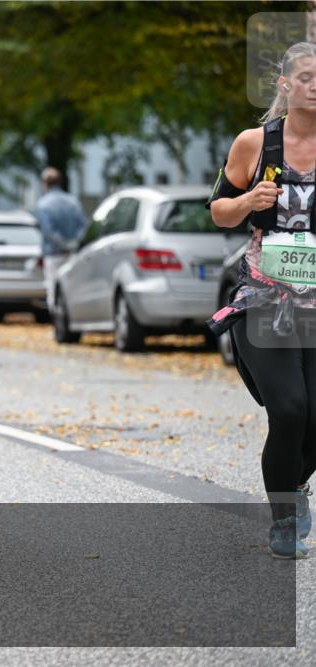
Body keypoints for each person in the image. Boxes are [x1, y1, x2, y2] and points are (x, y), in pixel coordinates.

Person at [207, 41, 316, 559]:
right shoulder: (254, 144)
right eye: (307, 76)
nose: (315, 85)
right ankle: (284, 518)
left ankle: (293, 484)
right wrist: (249, 200)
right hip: (265, 299)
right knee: (290, 411)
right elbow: (218, 211)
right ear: (285, 84)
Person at [34, 167, 87, 314]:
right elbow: (83, 225)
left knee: (53, 290)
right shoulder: (73, 201)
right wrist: (73, 243)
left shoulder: (43, 204)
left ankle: (59, 324)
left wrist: (62, 244)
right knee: (72, 288)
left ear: (45, 183)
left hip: (53, 254)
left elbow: (49, 231)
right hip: (73, 254)